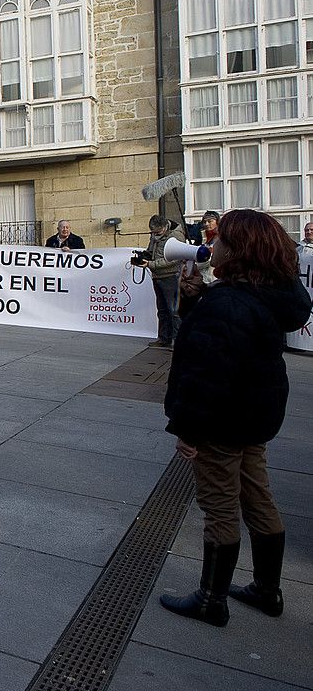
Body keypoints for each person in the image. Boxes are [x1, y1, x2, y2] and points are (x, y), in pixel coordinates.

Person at [160, 209, 312, 627]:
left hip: (221, 422)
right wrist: (194, 297)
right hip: (255, 415)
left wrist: (187, 428)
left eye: (221, 236)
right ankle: (267, 589)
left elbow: (205, 371)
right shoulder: (266, 292)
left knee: (219, 506)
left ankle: (211, 600)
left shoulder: (227, 301)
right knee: (257, 496)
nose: (214, 241)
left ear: (239, 248)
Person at [132, 214, 184, 348]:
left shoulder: (176, 236)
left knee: (173, 311)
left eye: (157, 232)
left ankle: (176, 341)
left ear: (165, 226)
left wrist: (150, 264)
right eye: (153, 232)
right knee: (162, 310)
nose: (155, 235)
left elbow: (173, 259)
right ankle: (164, 338)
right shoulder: (155, 236)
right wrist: (143, 256)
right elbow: (152, 252)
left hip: (171, 276)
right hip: (157, 276)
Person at [179, 210, 219, 318]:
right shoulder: (204, 238)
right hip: (201, 280)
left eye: (210, 221)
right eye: (204, 222)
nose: (206, 224)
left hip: (211, 279)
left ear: (217, 222)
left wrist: (195, 258)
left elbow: (209, 260)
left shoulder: (219, 238)